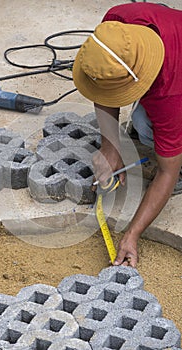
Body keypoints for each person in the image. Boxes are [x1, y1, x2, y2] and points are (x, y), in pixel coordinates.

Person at [72, 2, 182, 267]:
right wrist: (110, 147)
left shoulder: (169, 92)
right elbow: (105, 87)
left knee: (148, 128)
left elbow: (167, 172)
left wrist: (132, 234)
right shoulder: (117, 22)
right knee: (144, 121)